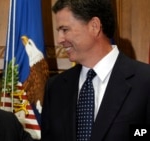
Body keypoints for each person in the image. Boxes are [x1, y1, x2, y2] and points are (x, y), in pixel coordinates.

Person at [41, 0, 150, 141]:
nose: (60, 40)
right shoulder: (55, 88)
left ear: (94, 26)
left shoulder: (145, 81)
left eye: (65, 30)